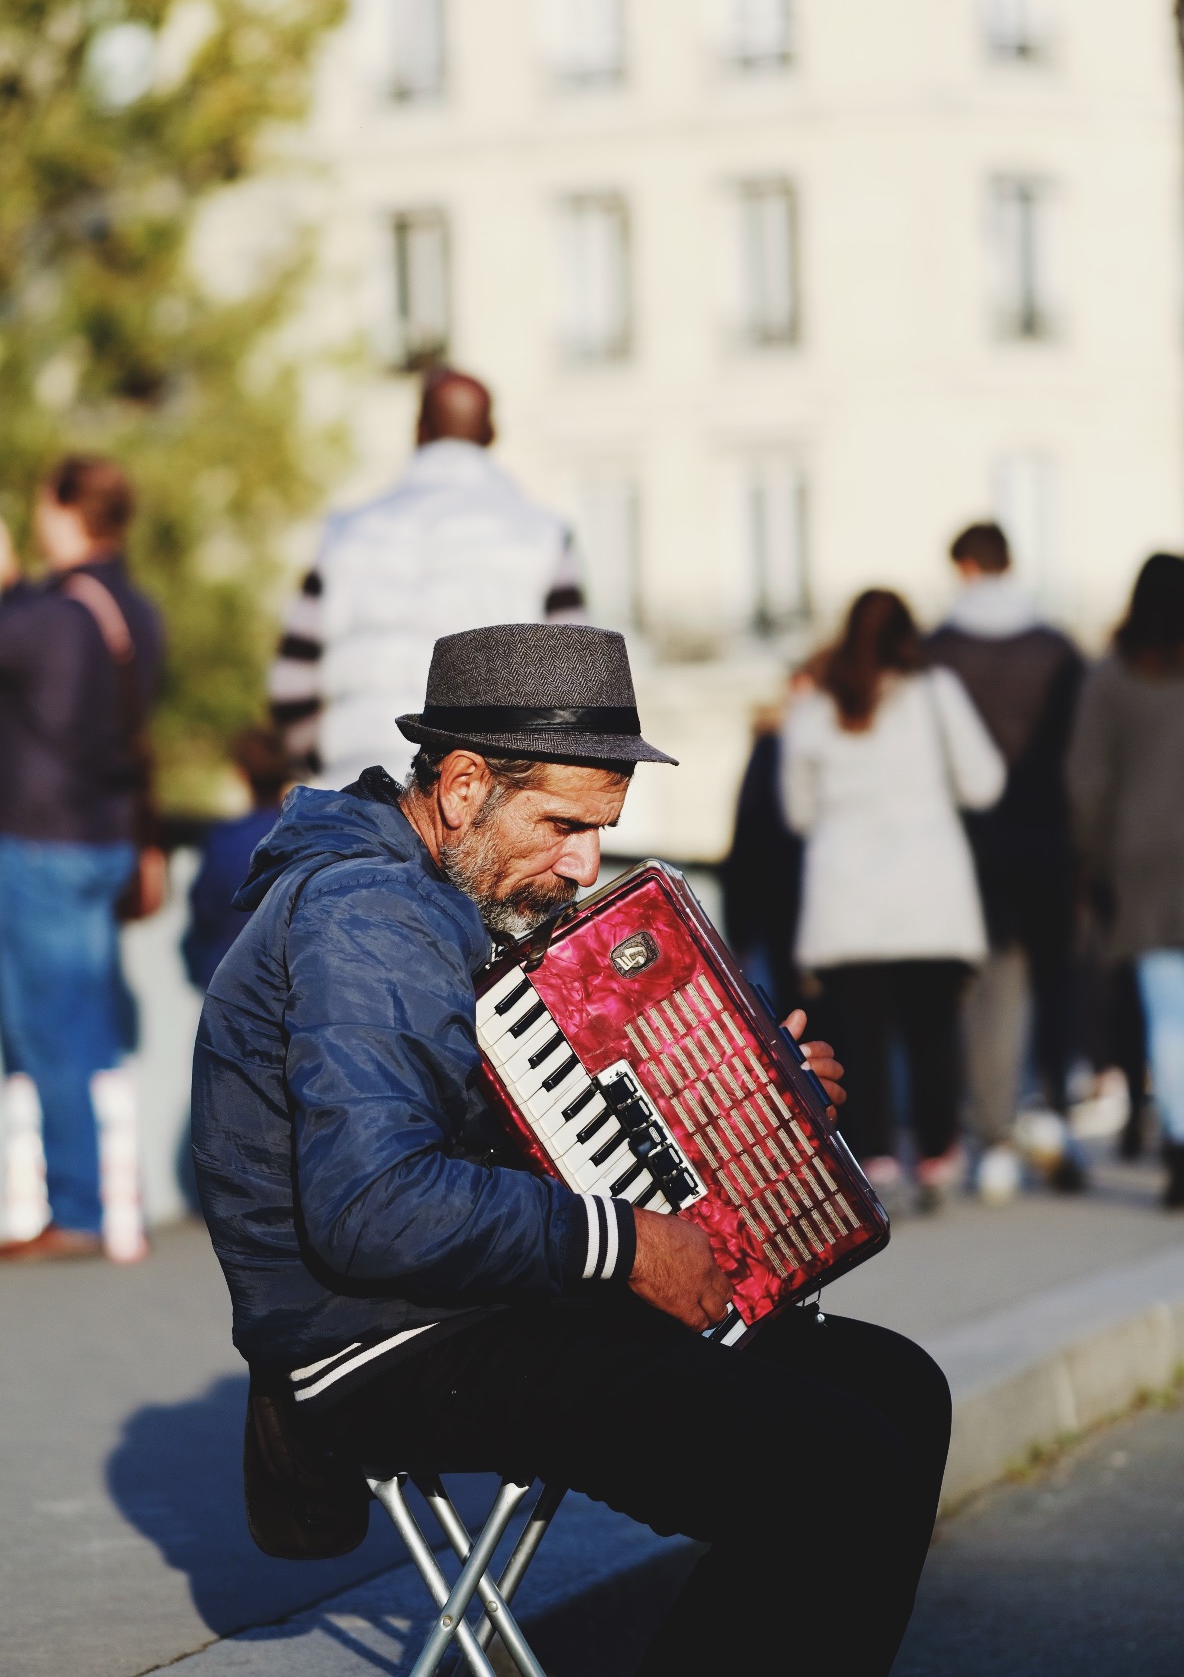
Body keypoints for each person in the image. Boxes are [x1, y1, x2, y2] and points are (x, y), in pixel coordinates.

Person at [192, 622, 951, 1677]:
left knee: (898, 1388)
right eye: (559, 824)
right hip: (382, 1340)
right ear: (462, 788)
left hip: (467, 1297)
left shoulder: (435, 889)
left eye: (601, 830)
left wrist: (749, 1094)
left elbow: (504, 1116)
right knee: (840, 1467)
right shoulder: (365, 915)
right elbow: (371, 1202)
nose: (584, 863)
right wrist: (622, 1242)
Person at [782, 590, 1004, 1208]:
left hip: (846, 902)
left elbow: (798, 812)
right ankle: (936, 1155)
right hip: (929, 897)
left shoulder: (812, 706)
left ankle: (875, 1158)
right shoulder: (936, 694)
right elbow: (984, 782)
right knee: (932, 1031)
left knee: (860, 1038)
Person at [268, 366, 585, 785]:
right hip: (480, 800)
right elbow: (577, 693)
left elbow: (290, 685)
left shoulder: (345, 532)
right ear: (491, 433)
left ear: (418, 430)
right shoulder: (542, 534)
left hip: (356, 786)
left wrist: (325, 767)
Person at [0, 457, 163, 1262]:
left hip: (42, 841)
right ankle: (116, 1202)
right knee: (93, 1024)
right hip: (107, 842)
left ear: (63, 509)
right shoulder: (136, 608)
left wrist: (5, 583)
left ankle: (77, 1209)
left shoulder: (47, 614)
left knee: (47, 1028)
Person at [926, 522, 1085, 1199]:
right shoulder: (1060, 651)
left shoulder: (936, 654)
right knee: (1053, 982)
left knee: (983, 992)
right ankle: (1051, 1113)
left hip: (970, 846)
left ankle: (992, 1134)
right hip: (1049, 840)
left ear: (964, 567)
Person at [1067, 554, 1184, 1209]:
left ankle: (1178, 1141)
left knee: (1169, 1014)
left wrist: (1093, 856)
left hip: (1140, 863)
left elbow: (1086, 782)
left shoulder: (1111, 678)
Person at [181, 727, 289, 994]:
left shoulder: (224, 840)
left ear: (241, 774)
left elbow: (204, 910)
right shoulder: (312, 836)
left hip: (232, 984)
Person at [720, 699, 804, 1019]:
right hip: (794, 906)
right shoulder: (782, 752)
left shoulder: (767, 753)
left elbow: (745, 843)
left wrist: (738, 928)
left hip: (776, 907)